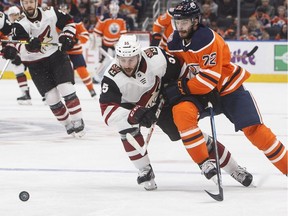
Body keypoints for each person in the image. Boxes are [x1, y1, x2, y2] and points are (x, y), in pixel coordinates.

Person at [99, 34, 253, 191]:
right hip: (133, 107)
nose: (127, 65)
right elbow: (108, 112)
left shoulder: (156, 57)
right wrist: (134, 115)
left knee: (186, 133)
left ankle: (234, 169)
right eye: (123, 60)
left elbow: (183, 70)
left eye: (131, 59)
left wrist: (202, 90)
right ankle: (144, 170)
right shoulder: (111, 77)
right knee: (127, 130)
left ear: (139, 55)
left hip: (162, 100)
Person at [164, 0, 287, 179]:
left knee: (255, 131)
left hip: (228, 88)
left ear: (195, 21)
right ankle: (206, 163)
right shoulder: (174, 40)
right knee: (182, 113)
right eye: (177, 22)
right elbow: (173, 66)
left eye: (184, 22)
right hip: (200, 93)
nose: (180, 26)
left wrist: (180, 87)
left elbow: (208, 81)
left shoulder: (206, 39)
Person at [2, 0, 86, 137]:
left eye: (31, 2)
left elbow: (69, 22)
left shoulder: (50, 12)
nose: (29, 5)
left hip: (56, 56)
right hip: (35, 64)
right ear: (22, 5)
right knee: (52, 98)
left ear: (36, 3)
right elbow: (15, 44)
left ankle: (77, 120)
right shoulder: (18, 24)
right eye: (26, 3)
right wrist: (12, 50)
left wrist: (67, 36)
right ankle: (67, 124)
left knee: (66, 88)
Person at [59, 3, 97, 99]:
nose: (63, 11)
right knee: (63, 74)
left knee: (82, 71)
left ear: (69, 9)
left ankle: (91, 89)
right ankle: (64, 94)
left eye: (65, 9)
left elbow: (85, 35)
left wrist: (76, 39)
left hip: (76, 52)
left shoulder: (76, 21)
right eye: (61, 9)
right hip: (62, 52)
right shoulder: (55, 21)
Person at [93, 1, 127, 83]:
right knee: (105, 61)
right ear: (110, 9)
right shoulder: (104, 17)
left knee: (120, 61)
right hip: (105, 44)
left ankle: (116, 78)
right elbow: (96, 31)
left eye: (115, 9)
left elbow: (123, 33)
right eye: (113, 9)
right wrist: (98, 42)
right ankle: (97, 77)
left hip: (116, 44)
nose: (114, 12)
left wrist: (120, 43)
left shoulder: (122, 18)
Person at [6, 6, 32, 105]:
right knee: (18, 70)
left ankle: (47, 94)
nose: (14, 17)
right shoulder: (8, 27)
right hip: (20, 54)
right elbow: (10, 42)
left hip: (30, 52)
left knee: (38, 72)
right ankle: (25, 93)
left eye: (15, 15)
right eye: (11, 15)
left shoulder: (25, 23)